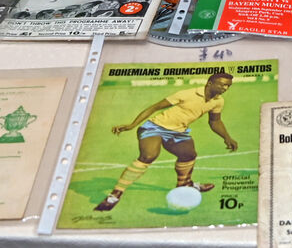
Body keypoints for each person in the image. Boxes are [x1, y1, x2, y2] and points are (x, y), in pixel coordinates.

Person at [94, 71, 238, 211]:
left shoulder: (218, 101)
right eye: (222, 85)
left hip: (178, 131)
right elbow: (154, 107)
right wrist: (132, 125)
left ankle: (185, 185)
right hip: (154, 127)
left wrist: (227, 138)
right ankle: (115, 194)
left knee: (188, 154)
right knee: (148, 156)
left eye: (228, 86)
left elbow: (215, 122)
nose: (225, 88)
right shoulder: (186, 94)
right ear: (210, 83)